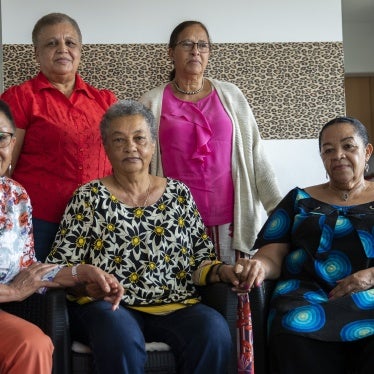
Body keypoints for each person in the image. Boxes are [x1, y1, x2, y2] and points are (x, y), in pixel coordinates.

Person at [46, 99, 250, 374]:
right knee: (120, 335)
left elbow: (201, 261)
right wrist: (84, 286)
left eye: (139, 138)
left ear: (153, 145)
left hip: (176, 306)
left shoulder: (179, 194)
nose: (131, 147)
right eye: (119, 140)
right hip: (111, 308)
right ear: (106, 148)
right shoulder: (88, 197)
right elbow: (59, 268)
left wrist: (226, 272)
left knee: (212, 329)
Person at [139, 20, 282, 372]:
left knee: (234, 303)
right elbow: (140, 165)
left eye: (202, 45)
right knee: (183, 306)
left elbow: (255, 154)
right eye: (187, 44)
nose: (195, 51)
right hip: (173, 227)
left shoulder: (230, 95)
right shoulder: (152, 101)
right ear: (171, 52)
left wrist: (282, 214)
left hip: (230, 223)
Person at [238, 116, 374, 373]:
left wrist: (370, 277)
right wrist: (258, 266)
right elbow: (272, 255)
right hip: (305, 295)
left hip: (368, 295)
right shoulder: (299, 199)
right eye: (328, 150)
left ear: (367, 151)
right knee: (291, 329)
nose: (338, 156)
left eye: (348, 146)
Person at [0, 100, 123, 374]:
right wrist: (11, 291)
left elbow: (29, 269)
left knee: (32, 343)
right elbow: (19, 286)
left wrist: (82, 274)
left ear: (12, 143)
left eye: (2, 137)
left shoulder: (14, 196)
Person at [1, 13, 117, 261]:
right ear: (37, 53)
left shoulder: (105, 101)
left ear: (80, 50)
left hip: (100, 220)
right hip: (40, 222)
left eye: (70, 43)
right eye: (52, 43)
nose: (62, 49)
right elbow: (5, 165)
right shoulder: (20, 98)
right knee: (44, 295)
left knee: (97, 293)